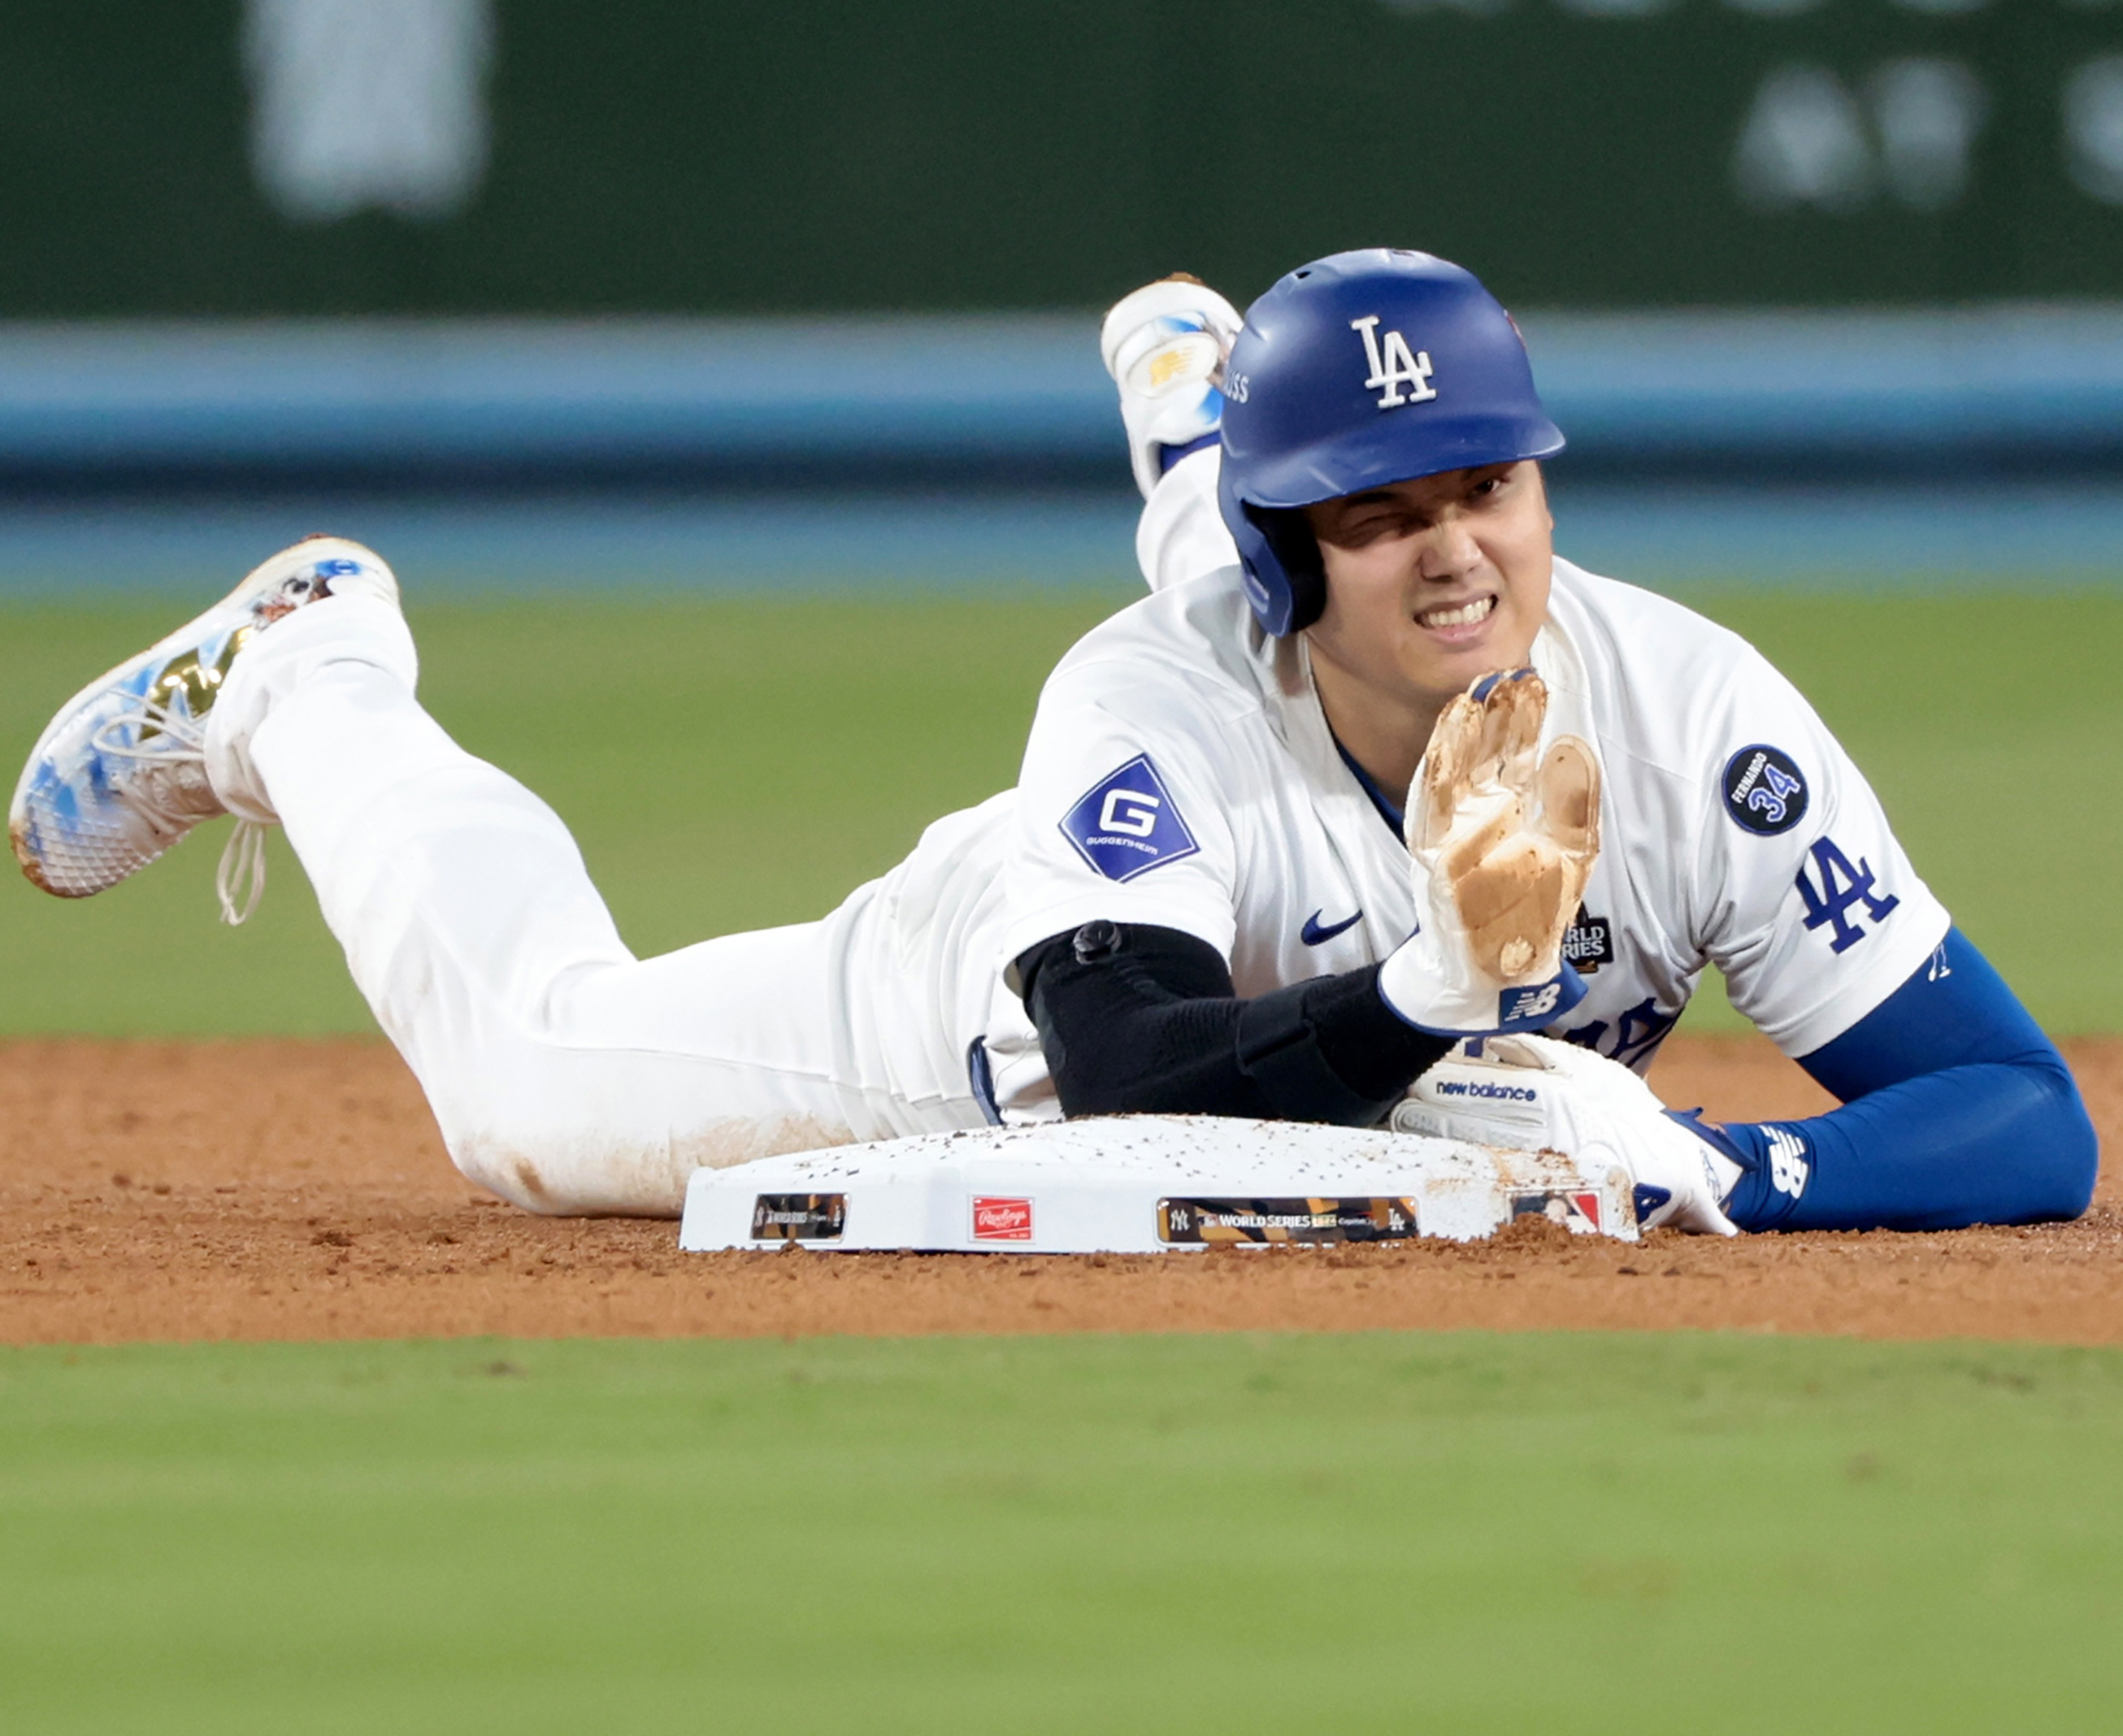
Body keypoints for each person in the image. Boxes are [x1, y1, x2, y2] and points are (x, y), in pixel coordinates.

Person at [9, 249, 2094, 1233]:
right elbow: (1119, 1094)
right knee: (524, 1098)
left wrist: (1739, 1166)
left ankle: (1207, 419)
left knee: (1321, 610)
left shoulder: (1696, 711)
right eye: (1383, 508)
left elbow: (2027, 1116)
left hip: (1269, 738)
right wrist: (1437, 985)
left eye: (1493, 487)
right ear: (1303, 548)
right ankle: (307, 676)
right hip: (971, 1022)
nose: (1459, 548)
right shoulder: (1145, 708)